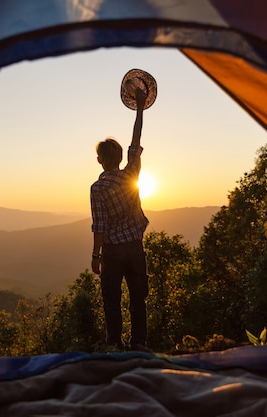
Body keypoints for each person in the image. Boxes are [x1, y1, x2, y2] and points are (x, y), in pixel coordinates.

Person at [90, 86, 150, 352]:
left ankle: (115, 344)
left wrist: (96, 256)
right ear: (119, 157)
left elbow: (100, 226)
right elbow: (136, 140)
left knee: (111, 299)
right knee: (138, 298)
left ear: (100, 160)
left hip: (113, 251)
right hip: (135, 247)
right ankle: (139, 344)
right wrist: (139, 107)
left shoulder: (98, 188)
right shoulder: (131, 175)